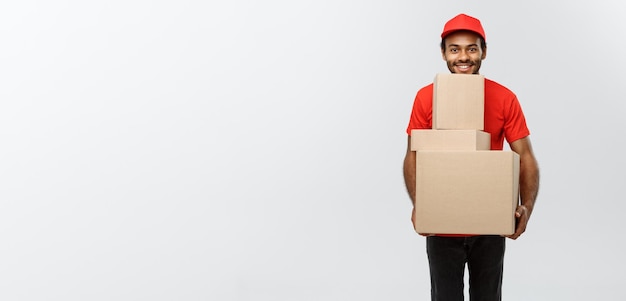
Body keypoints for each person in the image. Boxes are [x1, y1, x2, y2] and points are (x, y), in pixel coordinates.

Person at [402, 13, 540, 301]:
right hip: (442, 225)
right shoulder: (426, 98)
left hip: (489, 225)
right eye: (454, 49)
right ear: (443, 53)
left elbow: (525, 156)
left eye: (471, 48)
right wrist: (420, 204)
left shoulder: (504, 98)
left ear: (484, 52)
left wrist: (526, 207)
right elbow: (412, 155)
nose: (463, 57)